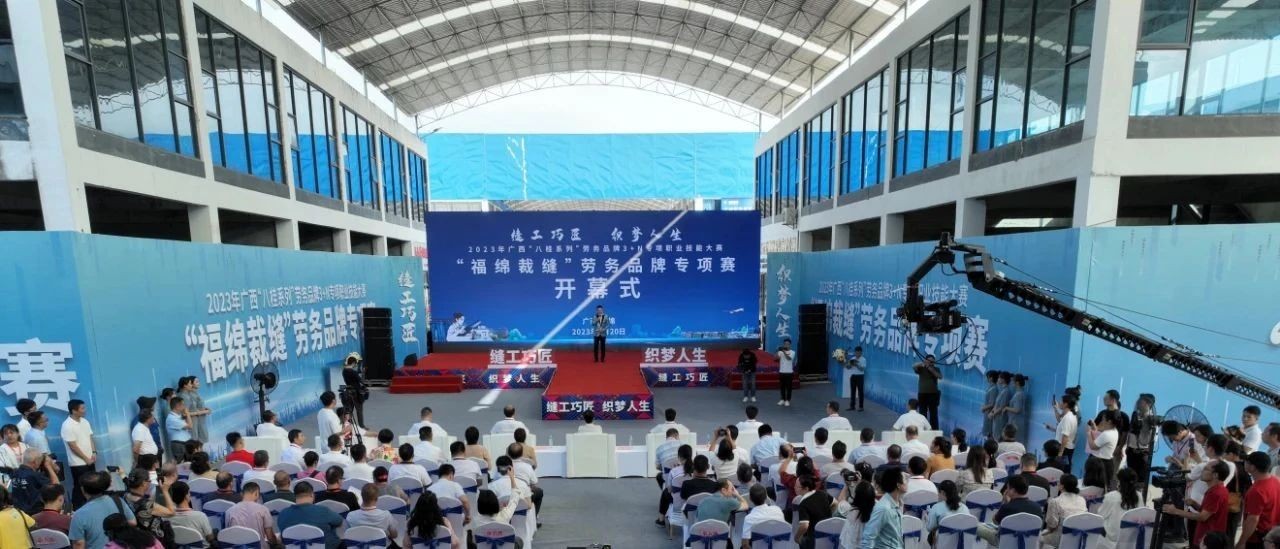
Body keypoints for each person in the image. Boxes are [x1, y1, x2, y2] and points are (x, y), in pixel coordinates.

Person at [1163, 461, 1230, 549]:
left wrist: (1175, 511)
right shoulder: (1217, 489)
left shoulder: (1216, 493)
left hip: (1208, 541)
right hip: (1208, 537)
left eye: (1205, 469)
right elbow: (1210, 513)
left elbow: (1202, 517)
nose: (1202, 471)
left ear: (1215, 475)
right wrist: (1194, 504)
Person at [69, 471, 136, 549]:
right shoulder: (117, 500)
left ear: (83, 489)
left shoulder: (79, 514)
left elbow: (79, 544)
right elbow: (133, 522)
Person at [977, 475, 1044, 544]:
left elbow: (995, 521)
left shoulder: (1007, 507)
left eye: (1008, 488)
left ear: (1013, 490)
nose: (1006, 490)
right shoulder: (1037, 507)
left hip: (1003, 541)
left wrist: (1004, 503)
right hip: (1029, 542)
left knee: (976, 526)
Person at [277, 482, 344, 549]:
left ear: (295, 496)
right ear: (312, 495)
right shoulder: (323, 511)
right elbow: (339, 521)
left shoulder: (283, 514)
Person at [1239, 452, 1280, 549]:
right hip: (1272, 533)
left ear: (1253, 467)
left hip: (1257, 538)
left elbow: (1253, 519)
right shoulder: (1276, 481)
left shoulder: (1257, 491)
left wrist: (1242, 542)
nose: (1244, 463)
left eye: (1247, 462)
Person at [1098, 468, 1144, 549]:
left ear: (1119, 481)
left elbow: (1100, 516)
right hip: (1131, 537)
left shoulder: (1111, 496)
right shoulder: (1139, 496)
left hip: (1112, 538)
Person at [861, 468, 907, 548]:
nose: (907, 482)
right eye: (905, 480)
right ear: (898, 485)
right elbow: (868, 538)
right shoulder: (883, 509)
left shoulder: (898, 503)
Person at [225, 481, 277, 547]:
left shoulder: (229, 511)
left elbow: (228, 535)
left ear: (242, 494)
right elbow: (270, 537)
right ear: (256, 494)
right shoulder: (263, 510)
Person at [1095, 390, 1130, 481]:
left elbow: (1125, 434)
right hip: (1101, 448)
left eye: (1106, 398)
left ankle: (1112, 489)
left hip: (1115, 449)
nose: (1103, 399)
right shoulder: (1102, 413)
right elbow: (1095, 427)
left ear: (1113, 400)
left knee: (1112, 475)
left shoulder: (1124, 416)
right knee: (1098, 474)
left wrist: (1120, 448)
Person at [794, 474, 834, 549]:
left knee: (802, 540)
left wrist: (797, 537)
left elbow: (804, 526)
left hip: (815, 538)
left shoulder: (803, 504)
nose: (794, 487)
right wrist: (828, 515)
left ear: (806, 488)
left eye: (796, 486)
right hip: (829, 534)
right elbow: (835, 503)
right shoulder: (822, 493)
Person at [166, 482, 212, 546]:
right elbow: (210, 538)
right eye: (189, 492)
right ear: (186, 496)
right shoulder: (200, 516)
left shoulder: (165, 518)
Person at [1088, 409, 1121, 490]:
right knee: (1104, 487)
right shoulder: (1114, 431)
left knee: (1095, 488)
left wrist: (1088, 433)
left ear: (1109, 421)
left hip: (1099, 463)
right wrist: (1094, 428)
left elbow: (1093, 446)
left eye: (1103, 419)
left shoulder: (1107, 434)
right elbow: (1100, 437)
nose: (1102, 422)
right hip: (1107, 462)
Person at [1046, 393, 1079, 468]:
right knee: (1064, 469)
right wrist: (1055, 408)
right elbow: (1059, 420)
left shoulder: (1068, 418)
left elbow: (1065, 437)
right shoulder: (1071, 415)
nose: (1059, 403)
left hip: (1064, 449)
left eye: (1061, 401)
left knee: (1061, 469)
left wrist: (1060, 453)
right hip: (1067, 448)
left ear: (1065, 404)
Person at [912, 354, 943, 429]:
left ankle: (935, 430)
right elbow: (914, 366)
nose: (931, 363)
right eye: (929, 361)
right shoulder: (921, 368)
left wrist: (929, 368)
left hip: (933, 394)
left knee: (933, 414)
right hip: (922, 394)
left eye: (932, 361)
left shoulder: (936, 369)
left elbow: (939, 376)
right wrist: (923, 363)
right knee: (922, 413)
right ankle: (922, 429)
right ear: (926, 360)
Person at [176, 376, 210, 443]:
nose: (191, 385)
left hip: (195, 420)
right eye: (190, 383)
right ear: (185, 385)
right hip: (191, 421)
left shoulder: (188, 395)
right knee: (194, 441)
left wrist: (204, 410)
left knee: (197, 441)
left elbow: (194, 408)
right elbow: (184, 413)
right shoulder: (184, 396)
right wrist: (201, 412)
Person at [341, 352, 368, 430]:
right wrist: (363, 373)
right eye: (356, 363)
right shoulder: (353, 372)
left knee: (349, 410)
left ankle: (347, 425)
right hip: (356, 392)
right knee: (359, 410)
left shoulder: (344, 371)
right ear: (353, 363)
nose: (356, 365)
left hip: (348, 391)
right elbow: (361, 381)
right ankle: (361, 426)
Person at [1000, 374, 1029, 444]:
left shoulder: (1019, 394)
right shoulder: (1018, 393)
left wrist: (1006, 408)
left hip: (1016, 422)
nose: (1011, 383)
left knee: (1015, 441)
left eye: (1013, 381)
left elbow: (1017, 410)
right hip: (1014, 421)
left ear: (1017, 383)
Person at [165, 397, 192, 465]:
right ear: (177, 406)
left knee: (189, 463)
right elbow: (190, 426)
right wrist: (188, 413)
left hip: (186, 442)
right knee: (180, 465)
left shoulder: (178, 416)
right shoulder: (172, 418)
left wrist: (186, 415)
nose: (184, 407)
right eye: (183, 404)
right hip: (179, 444)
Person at [846, 345, 867, 411]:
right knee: (853, 391)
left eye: (858, 352)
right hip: (853, 376)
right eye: (856, 352)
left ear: (861, 352)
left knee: (860, 392)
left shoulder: (863, 359)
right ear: (855, 352)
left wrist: (857, 364)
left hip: (860, 376)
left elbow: (862, 369)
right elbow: (848, 368)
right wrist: (849, 365)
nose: (857, 354)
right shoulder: (852, 358)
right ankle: (852, 406)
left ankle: (861, 407)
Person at [980, 371, 1000, 439]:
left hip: (990, 413)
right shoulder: (990, 387)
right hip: (987, 412)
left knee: (990, 431)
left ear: (991, 378)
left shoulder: (994, 389)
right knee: (987, 432)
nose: (986, 379)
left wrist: (984, 408)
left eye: (987, 377)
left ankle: (990, 444)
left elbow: (992, 403)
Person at [777, 338, 795, 406]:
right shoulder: (780, 352)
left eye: (788, 344)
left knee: (789, 387)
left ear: (790, 345)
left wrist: (784, 352)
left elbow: (789, 358)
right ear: (783, 344)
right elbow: (776, 358)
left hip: (789, 372)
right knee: (782, 387)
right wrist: (777, 351)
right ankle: (782, 399)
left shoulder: (792, 352)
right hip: (781, 372)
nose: (786, 345)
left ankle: (787, 400)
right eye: (785, 344)